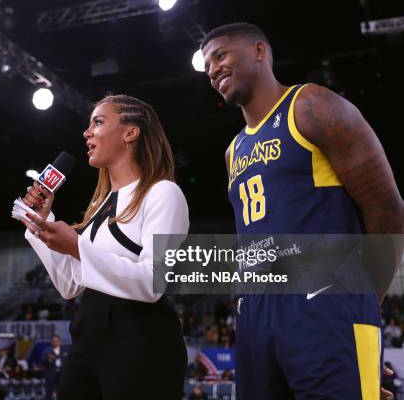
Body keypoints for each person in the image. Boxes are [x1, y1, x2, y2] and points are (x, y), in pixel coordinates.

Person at [201, 23, 404, 399]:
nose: (212, 69)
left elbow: (387, 211)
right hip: (257, 307)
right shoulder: (234, 151)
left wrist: (360, 307)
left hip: (327, 297)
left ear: (259, 51)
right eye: (207, 63)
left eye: (221, 55)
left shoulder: (310, 105)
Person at [20, 94, 189, 399]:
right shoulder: (99, 207)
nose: (87, 133)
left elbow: (153, 282)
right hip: (88, 336)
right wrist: (40, 226)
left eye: (98, 122)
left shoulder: (163, 193)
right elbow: (70, 284)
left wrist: (77, 247)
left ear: (130, 132)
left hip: (142, 341)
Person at [40, 334, 68, 400]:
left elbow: (68, 362)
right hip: (51, 375)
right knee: (49, 394)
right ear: (52, 342)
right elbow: (42, 363)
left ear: (60, 342)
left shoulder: (65, 350)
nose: (55, 343)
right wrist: (49, 359)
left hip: (62, 376)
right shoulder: (47, 351)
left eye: (57, 341)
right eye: (54, 341)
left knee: (62, 393)